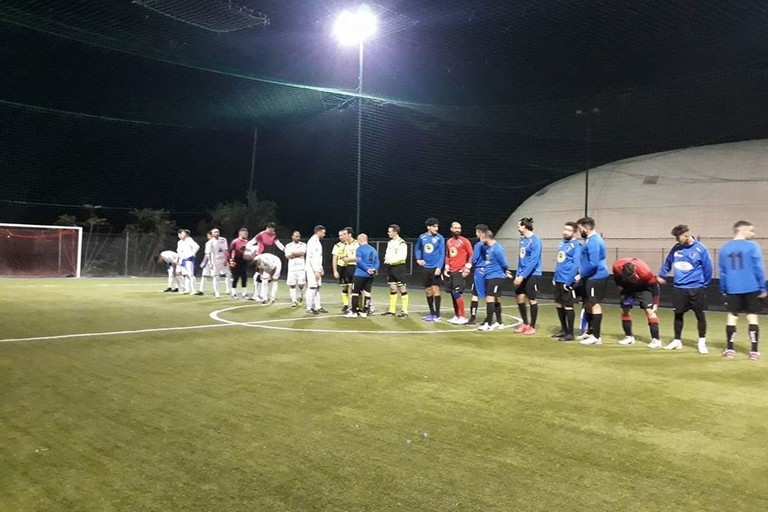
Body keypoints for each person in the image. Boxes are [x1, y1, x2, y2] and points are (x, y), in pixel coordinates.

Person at [657, 224, 713, 353]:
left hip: (696, 288)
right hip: (679, 288)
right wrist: (662, 275)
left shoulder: (700, 249)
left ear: (686, 235)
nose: (677, 240)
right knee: (678, 314)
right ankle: (677, 341)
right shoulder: (676, 248)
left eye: (678, 237)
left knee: (699, 314)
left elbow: (708, 268)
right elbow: (668, 262)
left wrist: (704, 284)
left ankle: (701, 342)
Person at [718, 221, 766, 360]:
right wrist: (762, 287)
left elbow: (723, 272)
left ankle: (730, 350)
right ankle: (754, 351)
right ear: (743, 230)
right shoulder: (753, 246)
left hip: (732, 288)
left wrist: (723, 289)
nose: (753, 233)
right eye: (751, 230)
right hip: (751, 287)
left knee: (732, 317)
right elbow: (758, 268)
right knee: (752, 317)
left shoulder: (725, 248)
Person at [575, 217, 610, 346]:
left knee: (595, 304)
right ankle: (590, 332)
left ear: (585, 228)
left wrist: (580, 275)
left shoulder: (594, 241)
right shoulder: (589, 240)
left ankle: (596, 336)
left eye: (580, 229)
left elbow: (594, 263)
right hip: (590, 277)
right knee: (589, 304)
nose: (579, 232)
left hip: (597, 277)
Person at [612, 258, 662, 347]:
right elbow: (617, 281)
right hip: (627, 287)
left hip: (643, 287)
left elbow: (655, 286)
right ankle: (629, 337)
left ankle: (656, 340)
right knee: (625, 309)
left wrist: (656, 303)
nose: (632, 279)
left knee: (649, 311)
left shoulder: (645, 272)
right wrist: (623, 294)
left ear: (635, 271)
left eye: (632, 277)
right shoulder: (617, 267)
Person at [552, 222, 582, 341]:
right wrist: (554, 277)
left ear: (574, 232)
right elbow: (559, 262)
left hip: (567, 281)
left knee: (568, 306)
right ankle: (563, 329)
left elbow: (576, 265)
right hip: (558, 280)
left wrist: (569, 282)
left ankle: (570, 333)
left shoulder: (577, 246)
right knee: (559, 304)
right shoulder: (562, 244)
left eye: (569, 230)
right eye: (565, 229)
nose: (565, 232)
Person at [476, 231, 512, 331]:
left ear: (487, 237)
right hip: (489, 276)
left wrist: (506, 272)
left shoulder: (497, 248)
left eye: (482, 236)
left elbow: (504, 263)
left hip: (496, 276)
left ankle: (488, 324)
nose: (480, 238)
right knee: (495, 299)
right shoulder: (487, 247)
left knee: (490, 299)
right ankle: (499, 322)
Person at [513, 217, 543, 335]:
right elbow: (521, 260)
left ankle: (532, 326)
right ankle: (525, 323)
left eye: (519, 226)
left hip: (532, 274)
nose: (518, 228)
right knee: (519, 298)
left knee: (532, 299)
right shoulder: (522, 240)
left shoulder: (535, 241)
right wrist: (518, 274)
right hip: (522, 274)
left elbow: (533, 261)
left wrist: (522, 276)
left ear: (524, 226)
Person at [414, 218, 446, 322]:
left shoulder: (440, 238)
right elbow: (417, 248)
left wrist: (439, 267)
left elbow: (442, 254)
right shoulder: (422, 237)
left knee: (435, 289)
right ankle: (431, 313)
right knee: (428, 291)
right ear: (428, 227)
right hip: (426, 268)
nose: (436, 228)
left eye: (437, 226)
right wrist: (418, 258)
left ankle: (437, 314)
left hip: (435, 268)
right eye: (434, 226)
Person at [444, 221, 473, 324]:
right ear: (451, 229)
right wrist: (446, 266)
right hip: (451, 271)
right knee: (452, 293)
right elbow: (448, 255)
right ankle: (456, 315)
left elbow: (471, 255)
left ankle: (462, 316)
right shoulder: (449, 242)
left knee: (457, 293)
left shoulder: (465, 241)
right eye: (455, 228)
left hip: (460, 270)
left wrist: (467, 267)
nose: (457, 230)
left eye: (459, 228)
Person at [346, 234, 380, 318]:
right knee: (367, 293)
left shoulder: (359, 249)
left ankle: (354, 312)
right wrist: (374, 269)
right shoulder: (373, 249)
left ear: (360, 240)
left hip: (360, 274)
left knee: (355, 293)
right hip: (370, 275)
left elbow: (359, 262)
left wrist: (366, 269)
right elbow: (377, 262)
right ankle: (364, 312)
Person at [465, 224, 490, 325]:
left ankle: (472, 318)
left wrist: (468, 266)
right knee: (491, 296)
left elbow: (474, 259)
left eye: (476, 231)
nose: (475, 233)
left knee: (475, 295)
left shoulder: (478, 245)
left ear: (480, 232)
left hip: (479, 271)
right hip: (490, 272)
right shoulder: (492, 244)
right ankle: (491, 319)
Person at [382, 224, 410, 317]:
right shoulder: (390, 242)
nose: (388, 233)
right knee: (392, 288)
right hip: (390, 268)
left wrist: (391, 260)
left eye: (389, 231)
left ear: (395, 232)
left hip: (399, 267)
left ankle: (404, 311)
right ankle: (392, 310)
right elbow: (387, 253)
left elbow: (402, 257)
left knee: (402, 288)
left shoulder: (402, 243)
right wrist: (386, 258)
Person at [332, 227, 359, 313]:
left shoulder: (354, 244)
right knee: (344, 287)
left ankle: (354, 305)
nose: (341, 237)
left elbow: (358, 256)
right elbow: (334, 259)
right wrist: (335, 270)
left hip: (350, 266)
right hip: (342, 267)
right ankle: (346, 304)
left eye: (343, 235)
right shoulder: (337, 246)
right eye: (340, 235)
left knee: (352, 286)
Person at [199, 228, 230, 298]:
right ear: (212, 234)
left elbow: (226, 250)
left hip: (223, 260)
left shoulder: (223, 239)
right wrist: (210, 263)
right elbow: (208, 253)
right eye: (215, 232)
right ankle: (217, 293)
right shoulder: (209, 243)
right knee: (216, 277)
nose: (217, 233)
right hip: (215, 261)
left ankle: (229, 290)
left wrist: (226, 260)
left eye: (218, 232)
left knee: (228, 274)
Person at [305, 225, 328, 315]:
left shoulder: (317, 241)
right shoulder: (312, 241)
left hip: (316, 268)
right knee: (312, 287)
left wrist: (320, 268)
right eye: (323, 232)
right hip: (311, 269)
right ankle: (309, 307)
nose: (324, 234)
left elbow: (318, 257)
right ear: (318, 231)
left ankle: (318, 307)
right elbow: (311, 258)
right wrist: (315, 270)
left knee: (317, 287)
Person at [284, 230, 307, 308]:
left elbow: (302, 253)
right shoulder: (288, 245)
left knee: (301, 285)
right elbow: (287, 256)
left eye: (299, 236)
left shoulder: (303, 244)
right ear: (292, 237)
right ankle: (294, 301)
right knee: (292, 285)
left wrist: (293, 253)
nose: (298, 238)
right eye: (296, 236)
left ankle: (301, 297)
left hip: (301, 268)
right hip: (292, 268)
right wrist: (297, 253)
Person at [176, 229, 200, 295]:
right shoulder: (180, 242)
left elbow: (197, 246)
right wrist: (178, 259)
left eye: (183, 233)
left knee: (190, 275)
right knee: (186, 275)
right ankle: (187, 289)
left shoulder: (189, 240)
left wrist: (192, 254)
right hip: (182, 260)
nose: (181, 235)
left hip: (189, 259)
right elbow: (179, 251)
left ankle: (193, 290)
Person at [229, 227, 250, 299]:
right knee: (235, 277)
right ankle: (234, 292)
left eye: (247, 233)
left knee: (244, 277)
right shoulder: (235, 241)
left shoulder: (247, 242)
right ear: (240, 233)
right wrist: (231, 260)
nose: (246, 235)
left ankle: (244, 293)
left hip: (244, 261)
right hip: (236, 260)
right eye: (245, 233)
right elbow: (230, 251)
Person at [195, 231, 214, 296]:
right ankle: (201, 290)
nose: (208, 237)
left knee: (215, 276)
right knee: (204, 275)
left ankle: (216, 291)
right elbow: (207, 253)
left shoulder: (217, 242)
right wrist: (203, 262)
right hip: (208, 262)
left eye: (209, 236)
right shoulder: (208, 243)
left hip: (215, 261)